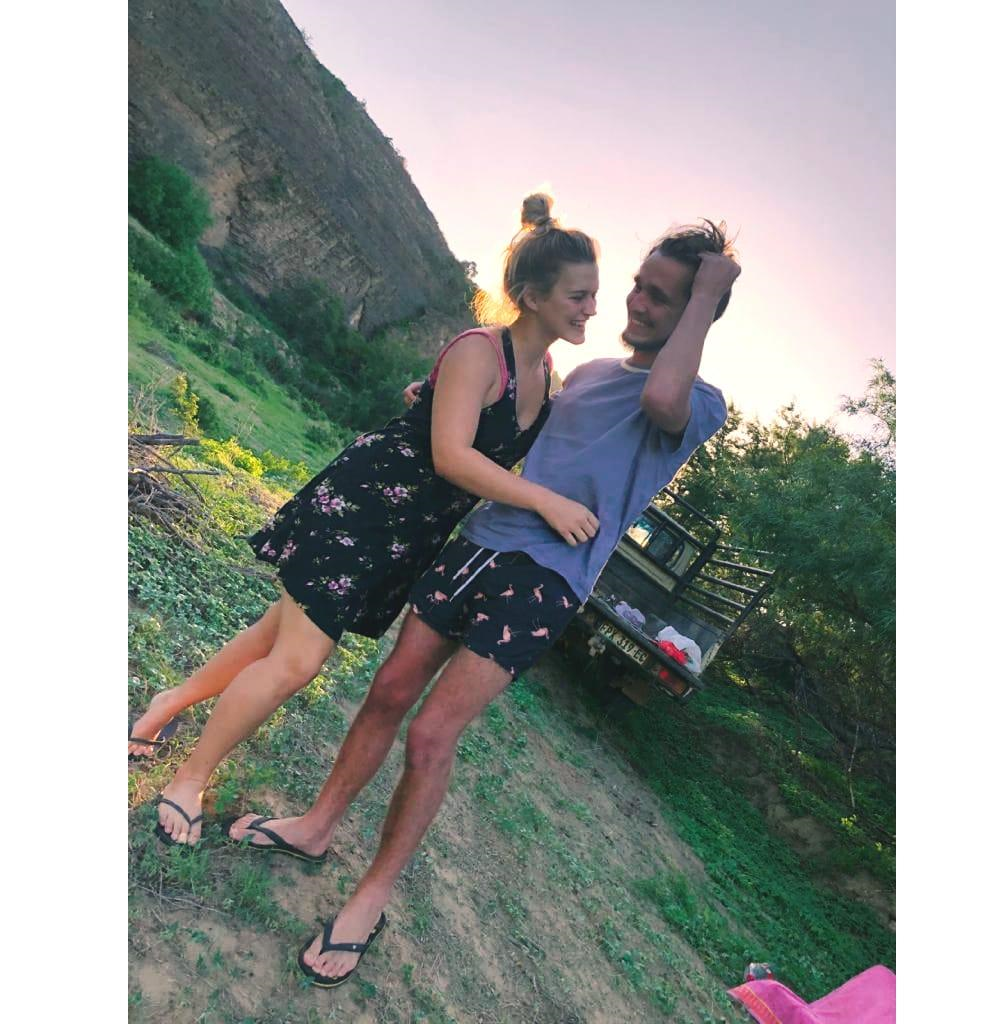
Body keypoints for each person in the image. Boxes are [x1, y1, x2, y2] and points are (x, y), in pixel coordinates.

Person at [226, 220, 741, 989]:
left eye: (662, 297)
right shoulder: (586, 374)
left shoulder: (696, 401)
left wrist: (707, 290)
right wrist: (440, 400)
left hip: (546, 581)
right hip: (478, 542)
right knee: (388, 694)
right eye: (639, 284)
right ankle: (315, 826)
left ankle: (373, 895)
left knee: (432, 733)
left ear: (697, 311)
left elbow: (662, 393)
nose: (637, 302)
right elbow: (513, 430)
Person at [134, 193, 602, 847]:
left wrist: (432, 398)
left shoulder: (544, 372)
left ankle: (167, 705)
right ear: (532, 295)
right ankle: (189, 780)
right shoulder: (480, 351)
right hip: (365, 508)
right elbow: (452, 456)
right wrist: (544, 501)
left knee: (275, 634)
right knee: (298, 659)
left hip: (408, 537)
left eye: (592, 294)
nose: (591, 308)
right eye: (579, 295)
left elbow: (468, 427)